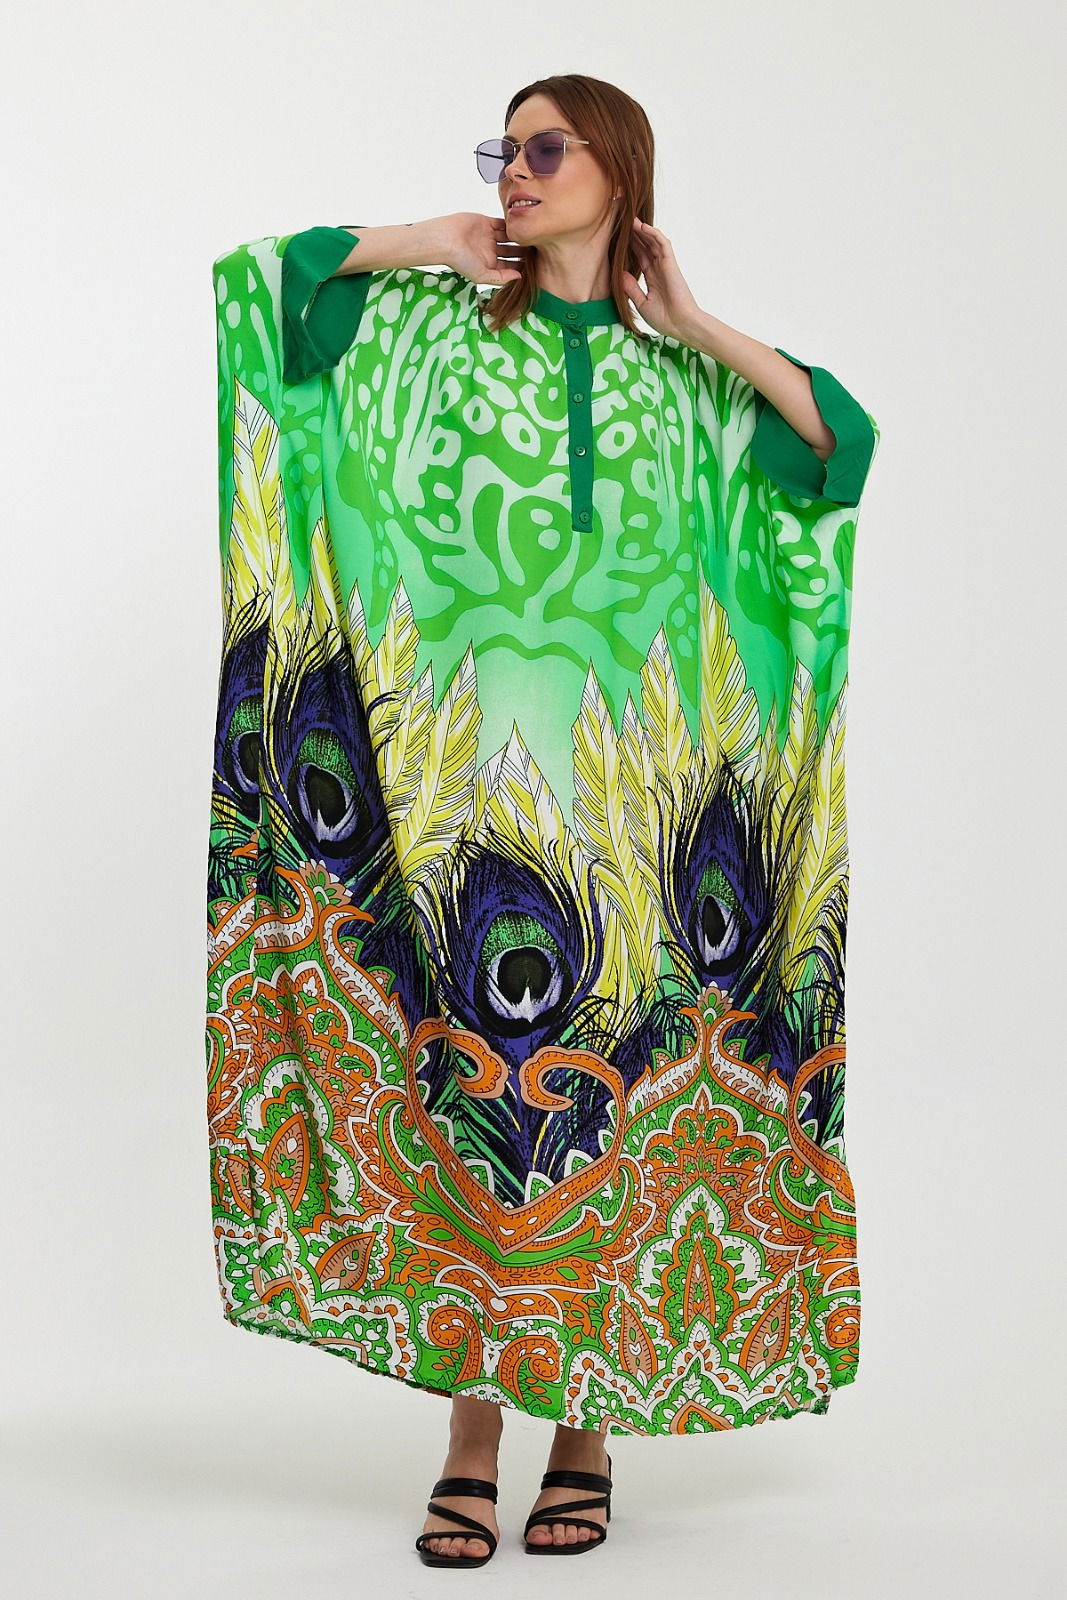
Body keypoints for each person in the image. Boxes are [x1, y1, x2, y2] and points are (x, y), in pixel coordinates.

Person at [207, 73, 879, 1568]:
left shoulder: (685, 390)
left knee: (609, 1103)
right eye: (500, 151)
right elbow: (269, 292)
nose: (513, 171)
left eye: (543, 148)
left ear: (618, 170)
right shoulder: (435, 339)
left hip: (636, 823)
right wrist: (423, 240)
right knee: (476, 1104)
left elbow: (839, 442)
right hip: (458, 811)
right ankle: (470, 1434)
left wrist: (692, 321)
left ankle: (586, 1432)